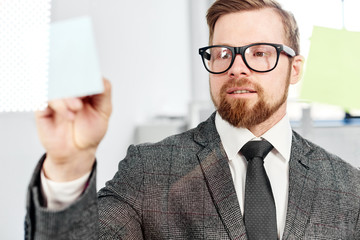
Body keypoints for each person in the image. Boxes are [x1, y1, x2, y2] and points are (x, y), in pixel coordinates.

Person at [25, 0, 360, 239]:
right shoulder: (148, 171)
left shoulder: (349, 188)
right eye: (222, 53)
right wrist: (68, 166)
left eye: (259, 52)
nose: (236, 68)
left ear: (295, 69)